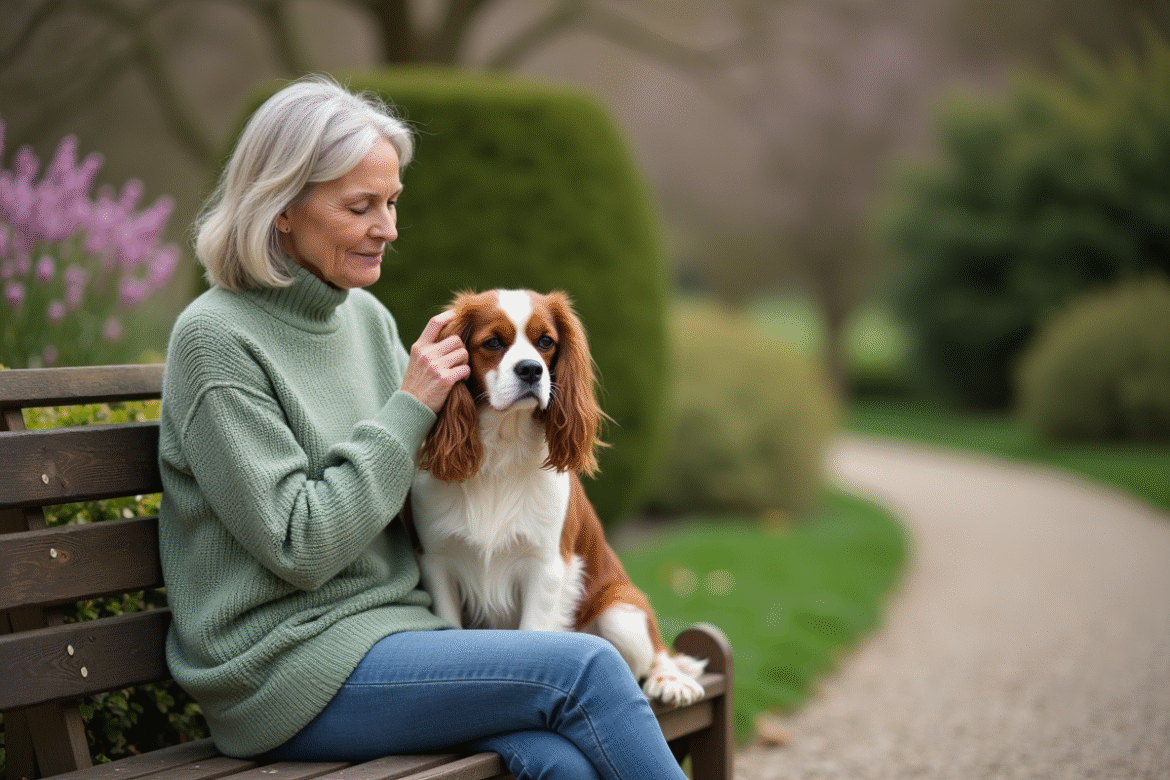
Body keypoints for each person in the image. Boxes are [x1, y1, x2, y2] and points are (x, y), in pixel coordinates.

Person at [157, 74, 690, 780]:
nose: (390, 228)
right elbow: (300, 545)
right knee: (585, 669)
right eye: (361, 206)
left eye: (392, 202)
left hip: (399, 636)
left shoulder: (364, 320)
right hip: (284, 673)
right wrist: (411, 405)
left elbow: (424, 482)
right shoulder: (215, 341)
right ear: (282, 208)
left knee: (560, 763)